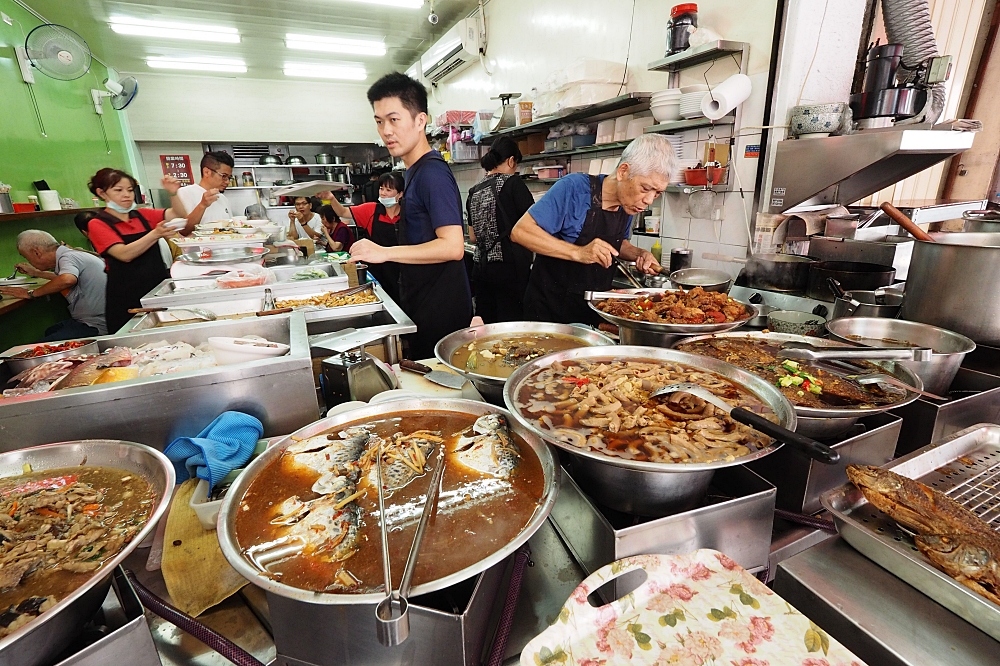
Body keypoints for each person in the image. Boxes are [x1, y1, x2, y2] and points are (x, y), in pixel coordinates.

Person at [350, 72, 471, 359]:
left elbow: (453, 246)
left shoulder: (432, 173)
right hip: (424, 302)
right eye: (379, 122)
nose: (386, 131)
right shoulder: (414, 172)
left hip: (441, 309)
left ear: (420, 121)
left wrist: (385, 252)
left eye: (394, 119)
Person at [511, 133, 675, 325]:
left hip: (592, 308)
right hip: (549, 311)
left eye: (657, 193)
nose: (648, 200)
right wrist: (579, 252)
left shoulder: (627, 205)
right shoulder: (572, 189)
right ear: (623, 172)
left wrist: (639, 253)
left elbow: (617, 243)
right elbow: (520, 231)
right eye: (646, 188)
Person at [85, 168, 191, 332]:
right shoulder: (98, 224)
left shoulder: (142, 214)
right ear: (102, 193)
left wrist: (173, 193)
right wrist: (155, 234)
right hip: (127, 295)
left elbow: (178, 215)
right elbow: (124, 254)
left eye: (129, 190)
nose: (126, 195)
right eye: (118, 190)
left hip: (157, 287)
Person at [466, 136, 535, 322]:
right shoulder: (513, 183)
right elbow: (534, 225)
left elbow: (473, 237)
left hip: (481, 269)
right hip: (510, 270)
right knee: (512, 327)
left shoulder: (473, 191)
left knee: (487, 329)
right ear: (511, 160)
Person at [0, 230, 108, 339]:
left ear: (36, 252)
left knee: (41, 346)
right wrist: (36, 272)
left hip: (97, 325)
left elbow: (67, 280)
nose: (28, 260)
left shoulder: (67, 257)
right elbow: (65, 277)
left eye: (26, 256)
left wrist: (31, 293)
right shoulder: (73, 254)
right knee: (51, 331)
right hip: (99, 320)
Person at [321, 171, 404, 302]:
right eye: (381, 188)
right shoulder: (371, 210)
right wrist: (331, 198)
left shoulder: (409, 213)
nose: (383, 193)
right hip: (379, 272)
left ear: (400, 194)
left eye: (388, 190)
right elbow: (343, 212)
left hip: (404, 270)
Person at [177, 151, 233, 225]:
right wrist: (202, 205)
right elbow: (183, 231)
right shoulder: (185, 192)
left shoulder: (222, 198)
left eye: (229, 177)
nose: (227, 182)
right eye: (224, 176)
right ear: (206, 172)